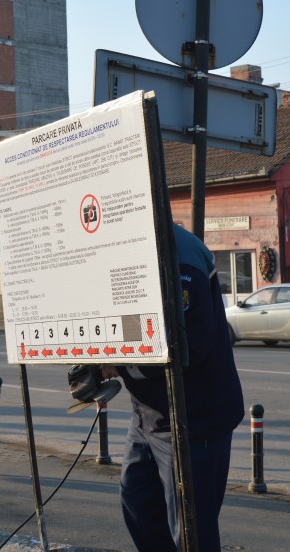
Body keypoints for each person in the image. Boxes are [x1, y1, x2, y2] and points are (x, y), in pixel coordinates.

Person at [103, 223, 244, 552]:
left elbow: (189, 346)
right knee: (139, 504)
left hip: (194, 419)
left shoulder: (180, 254)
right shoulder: (120, 245)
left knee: (191, 531)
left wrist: (120, 365)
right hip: (148, 414)